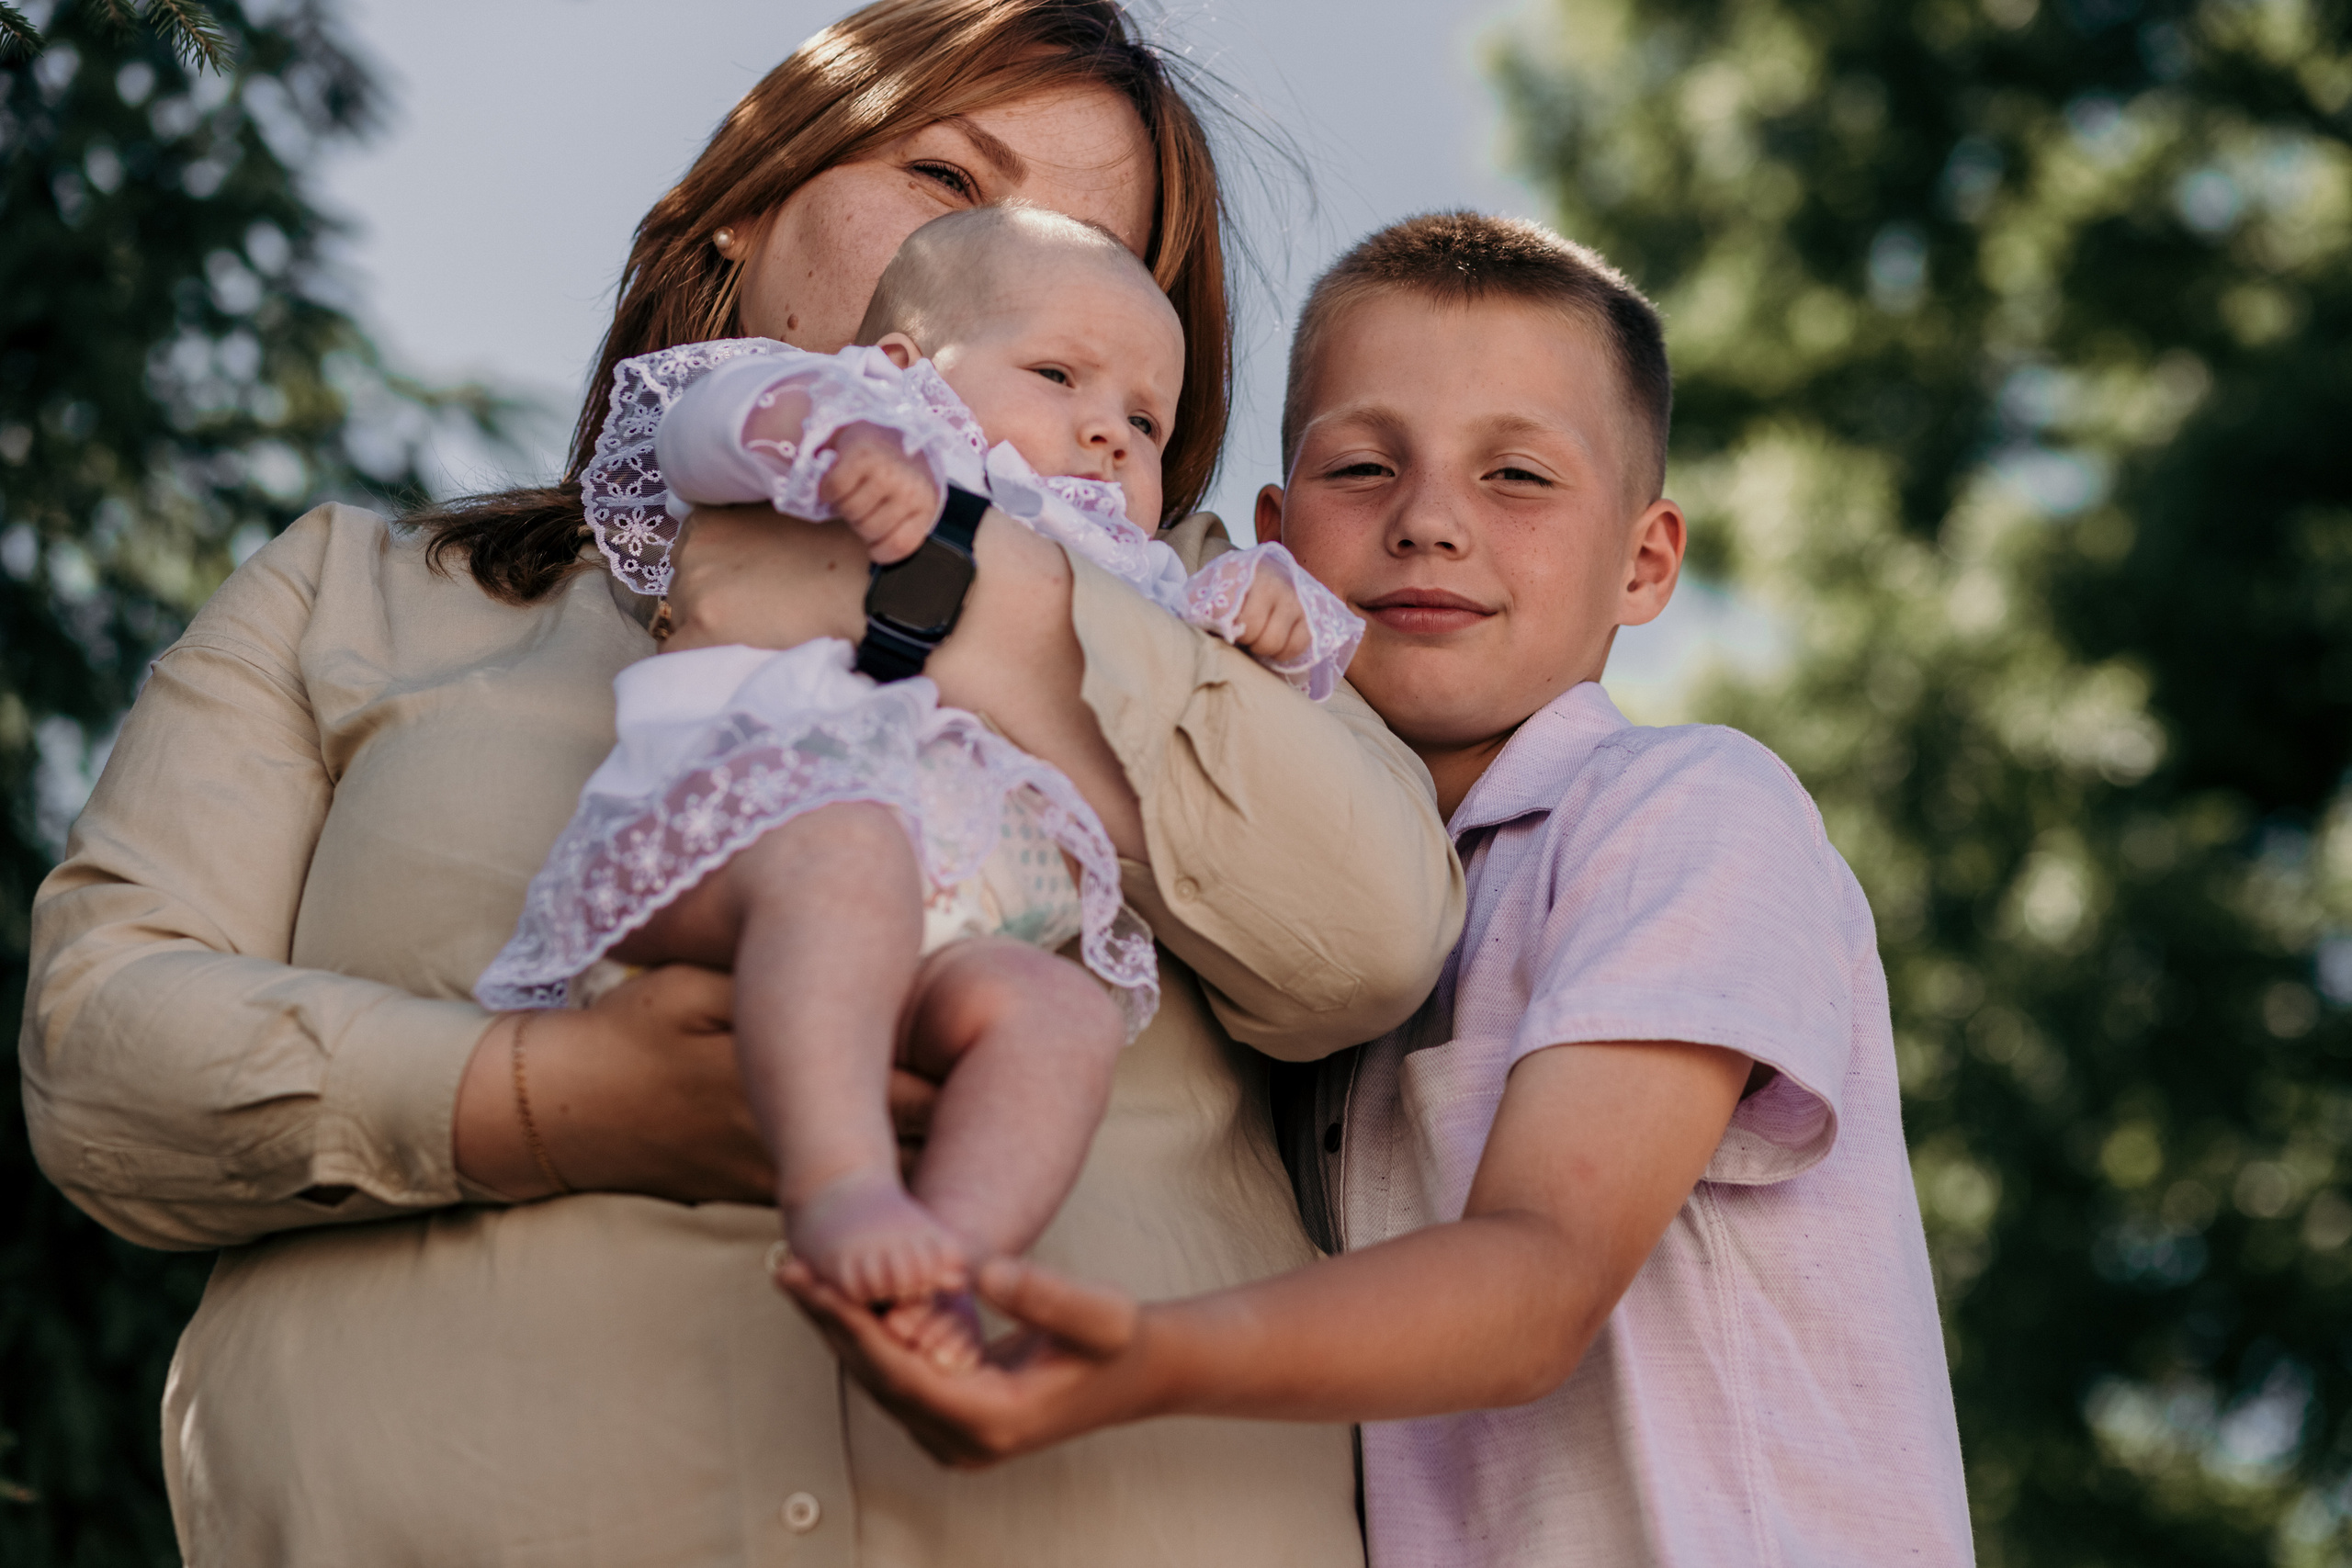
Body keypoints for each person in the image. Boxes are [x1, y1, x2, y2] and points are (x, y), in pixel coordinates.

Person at [18, 5, 1462, 1562]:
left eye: (1101, 246)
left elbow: (1371, 935)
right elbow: (103, 1053)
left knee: (1039, 1009)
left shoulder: (1191, 616)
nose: (1032, 250)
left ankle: (947, 1282)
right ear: (741, 217)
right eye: (945, 175)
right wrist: (553, 1104)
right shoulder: (355, 596)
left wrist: (969, 601)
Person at [784, 213, 1976, 1566]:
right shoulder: (1296, 912)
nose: (1427, 522)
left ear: (1645, 560)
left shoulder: (1686, 807)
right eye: (1364, 466)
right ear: (1277, 535)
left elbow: (1538, 1281)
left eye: (1518, 475)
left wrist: (1142, 1353)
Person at [479, 203, 1360, 1341]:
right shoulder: (879, 427)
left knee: (1060, 1015)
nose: (1108, 435)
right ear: (902, 366)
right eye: (1058, 374)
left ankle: (948, 1266)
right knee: (849, 855)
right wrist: (826, 439)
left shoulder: (1126, 569)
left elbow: (1222, 721)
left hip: (956, 932)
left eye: (1145, 421)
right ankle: (843, 1188)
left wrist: (1264, 614)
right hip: (757, 838)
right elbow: (700, 423)